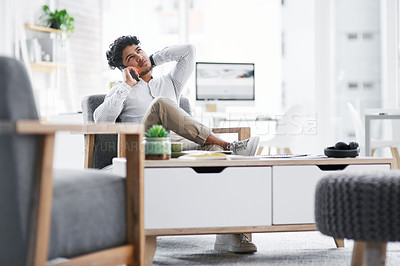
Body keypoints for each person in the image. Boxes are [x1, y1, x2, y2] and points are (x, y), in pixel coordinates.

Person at [94, 35, 259, 253]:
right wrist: (126, 85)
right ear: (123, 68)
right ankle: (229, 144)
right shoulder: (121, 89)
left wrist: (153, 58)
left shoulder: (170, 82)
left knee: (216, 153)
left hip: (176, 148)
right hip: (143, 148)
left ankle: (228, 234)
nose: (139, 57)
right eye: (130, 58)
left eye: (139, 50)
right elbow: (101, 121)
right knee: (161, 104)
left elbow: (188, 51)